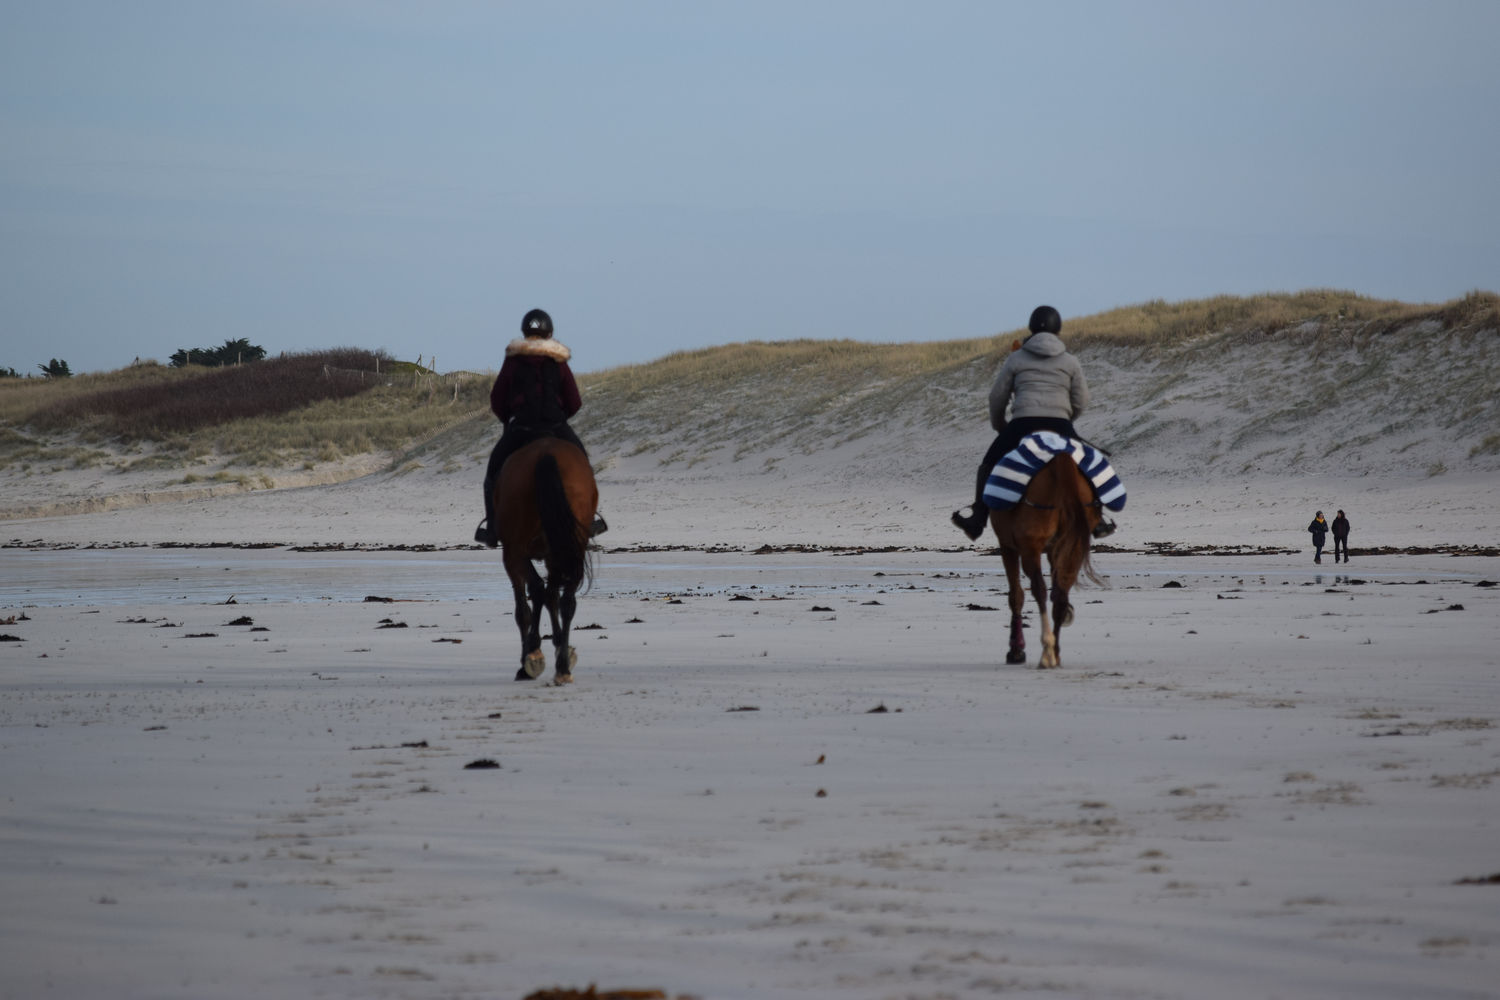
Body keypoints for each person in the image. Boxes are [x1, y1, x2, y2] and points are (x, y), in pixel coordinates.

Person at [951, 305, 1114, 540]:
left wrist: (1001, 427)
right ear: (1057, 329)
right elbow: (1082, 400)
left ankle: (978, 516)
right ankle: (1098, 518)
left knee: (990, 461)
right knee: (1087, 462)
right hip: (1060, 425)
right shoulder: (1070, 361)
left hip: (1023, 424)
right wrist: (1067, 421)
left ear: (1031, 328)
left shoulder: (1016, 358)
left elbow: (997, 397)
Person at [474, 308, 605, 547]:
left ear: (525, 333)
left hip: (522, 428)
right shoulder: (558, 360)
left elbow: (497, 399)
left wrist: (509, 419)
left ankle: (492, 527)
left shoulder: (514, 360)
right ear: (550, 333)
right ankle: (590, 520)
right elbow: (574, 400)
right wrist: (558, 417)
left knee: (493, 473)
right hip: (555, 426)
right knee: (583, 465)